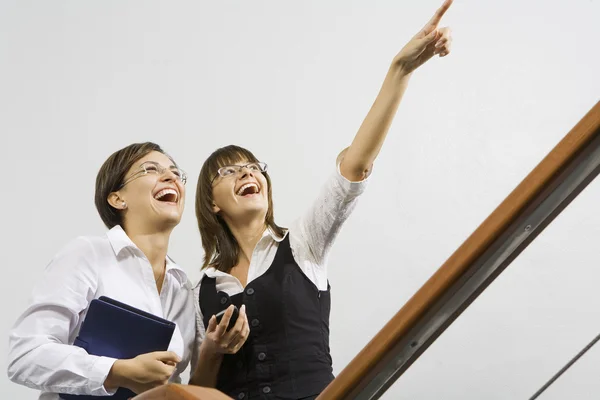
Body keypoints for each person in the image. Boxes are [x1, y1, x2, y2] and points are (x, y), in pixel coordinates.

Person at [190, 1, 454, 398]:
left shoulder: (304, 243)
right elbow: (196, 393)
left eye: (253, 166)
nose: (247, 172)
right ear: (212, 204)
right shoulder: (200, 292)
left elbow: (355, 166)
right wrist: (211, 351)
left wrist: (400, 70)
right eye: (229, 171)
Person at [7, 142, 196, 399]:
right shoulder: (87, 254)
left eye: (176, 172)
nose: (171, 176)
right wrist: (116, 371)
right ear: (118, 198)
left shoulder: (182, 287)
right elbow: (25, 355)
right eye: (150, 169)